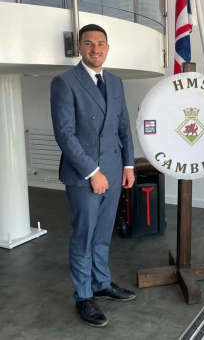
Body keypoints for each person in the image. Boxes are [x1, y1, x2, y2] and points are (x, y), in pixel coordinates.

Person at [51, 24, 136, 327]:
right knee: (84, 237)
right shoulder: (64, 82)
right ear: (79, 47)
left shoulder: (115, 81)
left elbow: (123, 126)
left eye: (100, 43)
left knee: (102, 235)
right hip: (84, 174)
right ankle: (84, 296)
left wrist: (128, 165)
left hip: (114, 171)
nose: (95, 49)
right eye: (89, 44)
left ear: (108, 48)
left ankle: (101, 283)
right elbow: (65, 134)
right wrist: (92, 171)